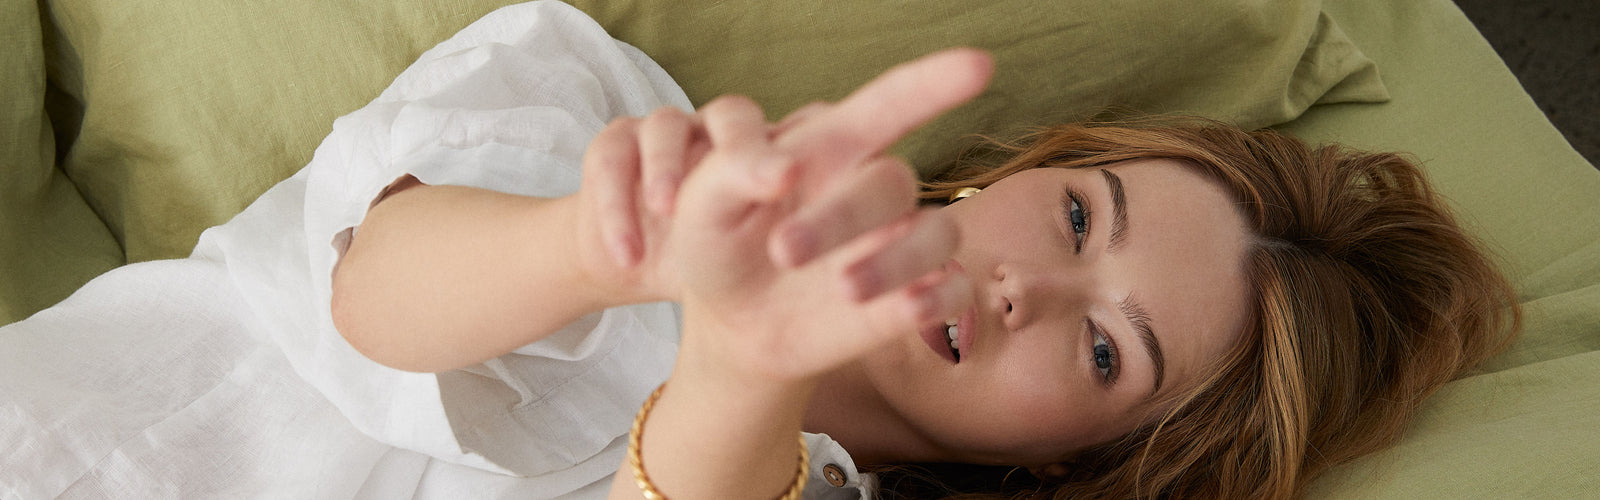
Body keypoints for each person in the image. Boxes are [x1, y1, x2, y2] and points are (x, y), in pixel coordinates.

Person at [333, 42, 1520, 500]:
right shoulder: (634, 136)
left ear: (1081, 455)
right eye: (1070, 218)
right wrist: (601, 249)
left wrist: (745, 365)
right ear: (999, 180)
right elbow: (361, 293)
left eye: (1106, 349)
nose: (1024, 292)